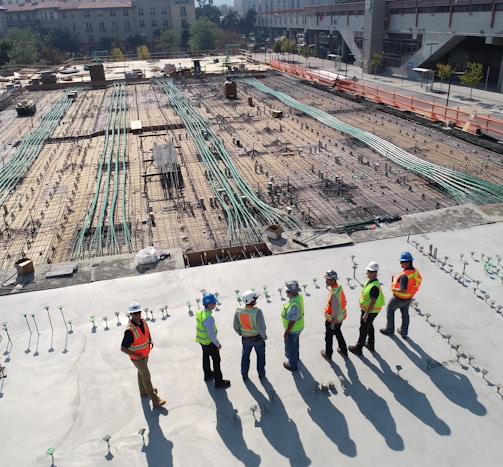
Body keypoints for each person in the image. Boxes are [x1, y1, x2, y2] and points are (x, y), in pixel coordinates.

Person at [121, 301, 166, 407]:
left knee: (141, 372)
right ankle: (154, 399)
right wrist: (136, 355)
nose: (137, 315)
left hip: (145, 354)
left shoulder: (143, 321)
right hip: (137, 358)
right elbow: (123, 348)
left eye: (138, 313)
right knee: (146, 376)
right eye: (134, 313)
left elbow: (147, 331)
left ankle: (143, 391)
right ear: (130, 315)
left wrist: (150, 339)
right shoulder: (129, 330)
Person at [380, 251, 422, 339]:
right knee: (405, 314)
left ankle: (389, 329)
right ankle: (404, 332)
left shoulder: (404, 276)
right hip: (408, 297)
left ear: (408, 262)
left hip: (399, 298)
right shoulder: (415, 271)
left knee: (390, 310)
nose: (400, 263)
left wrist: (393, 288)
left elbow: (403, 289)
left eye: (402, 262)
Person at [349, 262, 385, 355]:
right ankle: (370, 344)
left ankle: (358, 348)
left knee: (363, 329)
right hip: (368, 310)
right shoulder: (369, 281)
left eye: (371, 272)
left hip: (370, 311)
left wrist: (366, 314)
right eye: (368, 271)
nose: (368, 273)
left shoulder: (374, 287)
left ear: (375, 273)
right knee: (369, 326)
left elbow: (372, 302)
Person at [195, 293, 230, 388]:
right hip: (209, 342)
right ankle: (218, 381)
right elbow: (211, 334)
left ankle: (207, 374)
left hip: (201, 341)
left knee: (205, 357)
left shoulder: (200, 312)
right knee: (216, 360)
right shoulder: (209, 318)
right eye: (214, 303)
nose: (215, 305)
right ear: (209, 304)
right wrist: (217, 344)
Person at [233, 290, 267, 380]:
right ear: (252, 300)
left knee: (245, 356)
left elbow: (235, 325)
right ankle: (261, 373)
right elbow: (261, 327)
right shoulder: (257, 312)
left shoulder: (239, 310)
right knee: (260, 356)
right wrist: (264, 336)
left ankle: (244, 374)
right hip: (258, 338)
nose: (256, 300)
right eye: (255, 298)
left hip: (245, 338)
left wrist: (240, 332)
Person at [320, 270, 348, 361]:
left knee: (328, 337)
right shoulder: (338, 288)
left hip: (333, 320)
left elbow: (335, 310)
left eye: (327, 279)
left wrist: (332, 323)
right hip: (340, 318)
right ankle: (344, 350)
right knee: (338, 333)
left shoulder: (334, 294)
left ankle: (328, 354)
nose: (326, 281)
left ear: (333, 280)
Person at [281, 280, 304, 371]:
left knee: (291, 347)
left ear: (294, 292)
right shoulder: (299, 296)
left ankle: (292, 365)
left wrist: (286, 332)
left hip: (293, 329)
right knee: (295, 343)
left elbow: (292, 320)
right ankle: (296, 357)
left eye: (288, 291)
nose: (286, 292)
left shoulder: (294, 305)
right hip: (299, 327)